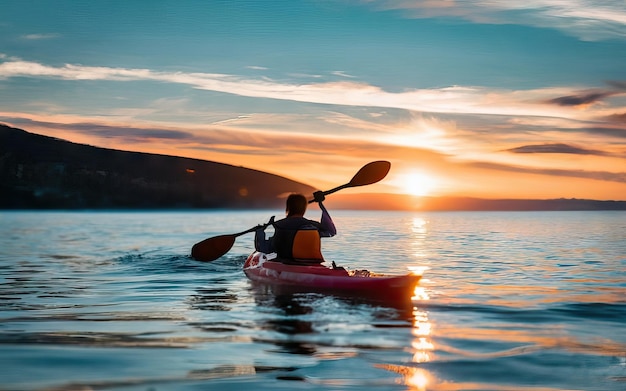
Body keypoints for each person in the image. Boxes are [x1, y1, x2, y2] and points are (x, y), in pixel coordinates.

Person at [255, 191, 336, 265]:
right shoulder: (312, 225)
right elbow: (331, 231)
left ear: (288, 208)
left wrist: (260, 231)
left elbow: (263, 248)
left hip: (289, 264)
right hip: (314, 263)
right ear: (304, 209)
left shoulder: (280, 226)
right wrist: (320, 204)